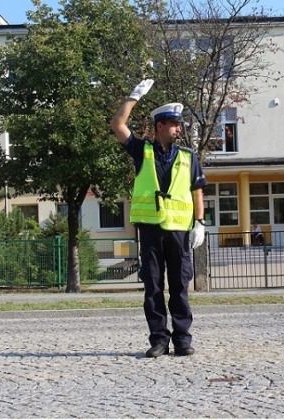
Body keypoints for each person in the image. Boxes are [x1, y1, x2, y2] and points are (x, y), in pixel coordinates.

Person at [111, 79, 207, 358]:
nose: (179, 129)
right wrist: (133, 97)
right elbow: (118, 125)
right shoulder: (143, 151)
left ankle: (182, 339)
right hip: (151, 230)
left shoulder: (189, 157)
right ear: (160, 126)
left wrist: (199, 224)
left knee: (179, 286)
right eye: (174, 124)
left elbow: (197, 192)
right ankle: (159, 340)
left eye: (180, 124)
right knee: (153, 287)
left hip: (179, 231)